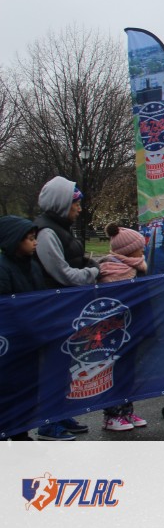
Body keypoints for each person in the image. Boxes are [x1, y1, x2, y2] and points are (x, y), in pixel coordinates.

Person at [31, 177, 97, 440]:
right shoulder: (46, 232)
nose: (79, 208)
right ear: (61, 204)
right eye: (75, 203)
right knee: (53, 366)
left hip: (65, 307)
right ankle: (48, 422)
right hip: (53, 309)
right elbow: (63, 274)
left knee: (64, 364)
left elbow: (72, 262)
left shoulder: (59, 228)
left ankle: (58, 413)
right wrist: (93, 272)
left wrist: (88, 263)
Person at [96, 224, 150, 431]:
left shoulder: (137, 267)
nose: (143, 249)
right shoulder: (111, 271)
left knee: (129, 370)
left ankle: (126, 409)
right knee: (114, 370)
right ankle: (112, 414)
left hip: (133, 326)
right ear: (128, 250)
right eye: (139, 246)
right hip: (114, 330)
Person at [0, 215, 46, 441]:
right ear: (14, 240)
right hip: (11, 343)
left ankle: (21, 434)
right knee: (8, 389)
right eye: (29, 238)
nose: (35, 242)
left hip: (31, 339)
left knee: (28, 389)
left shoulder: (33, 266)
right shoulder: (3, 269)